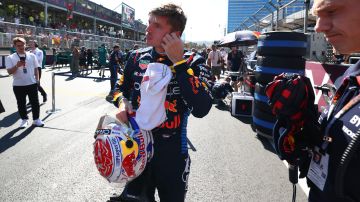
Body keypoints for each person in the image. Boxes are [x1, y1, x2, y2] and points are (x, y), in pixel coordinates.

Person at [110, 3, 212, 202]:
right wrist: (122, 102)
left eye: (156, 25)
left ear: (175, 33)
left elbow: (202, 107)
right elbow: (116, 88)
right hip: (136, 147)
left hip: (172, 154)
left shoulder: (193, 61)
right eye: (149, 23)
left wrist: (179, 63)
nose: (148, 29)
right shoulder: (136, 57)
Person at [5, 37, 44, 128]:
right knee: (21, 103)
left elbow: (36, 68)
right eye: (18, 45)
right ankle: (24, 120)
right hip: (18, 85)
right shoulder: (10, 57)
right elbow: (9, 72)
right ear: (14, 46)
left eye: (22, 45)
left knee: (35, 103)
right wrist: (17, 66)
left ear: (25, 45)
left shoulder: (32, 55)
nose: (21, 47)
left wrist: (37, 80)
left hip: (32, 83)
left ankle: (36, 119)